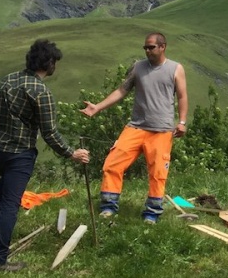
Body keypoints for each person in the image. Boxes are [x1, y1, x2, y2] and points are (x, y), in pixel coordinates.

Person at [0, 39, 90, 271]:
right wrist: (71, 154)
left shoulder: (8, 79)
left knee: (6, 183)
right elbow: (49, 132)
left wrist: (9, 124)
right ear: (49, 64)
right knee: (11, 203)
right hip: (18, 154)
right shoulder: (41, 92)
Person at [79, 32, 188, 224]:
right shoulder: (138, 67)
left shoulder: (175, 69)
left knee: (157, 173)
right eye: (145, 47)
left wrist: (182, 122)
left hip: (162, 130)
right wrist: (98, 107)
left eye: (151, 47)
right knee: (112, 163)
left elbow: (182, 96)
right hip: (136, 127)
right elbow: (122, 90)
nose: (147, 51)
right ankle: (108, 207)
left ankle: (152, 213)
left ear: (163, 47)